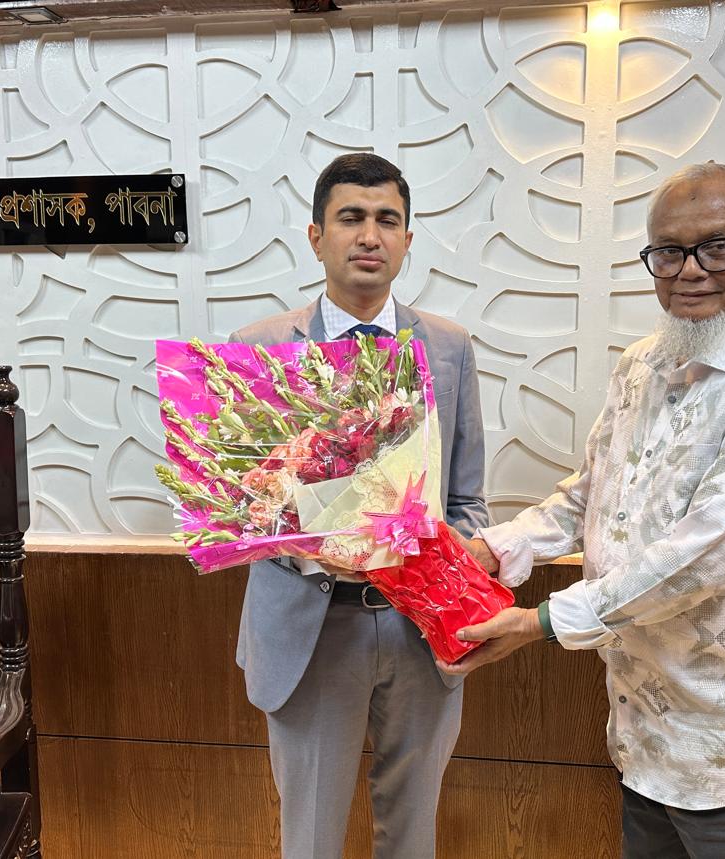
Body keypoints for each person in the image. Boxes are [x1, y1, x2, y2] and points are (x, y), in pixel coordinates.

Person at [443, 162, 725, 858]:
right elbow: (590, 495)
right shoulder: (642, 363)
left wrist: (542, 621)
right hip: (647, 727)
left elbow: (711, 550)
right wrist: (497, 547)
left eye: (717, 247)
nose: (689, 270)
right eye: (668, 251)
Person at [229, 153, 489, 859]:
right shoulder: (259, 350)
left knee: (412, 835)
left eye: (387, 220)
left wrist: (450, 556)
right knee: (310, 838)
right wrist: (309, 543)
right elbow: (240, 508)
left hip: (418, 628)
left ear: (407, 239)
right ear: (317, 237)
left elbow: (468, 498)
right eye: (351, 218)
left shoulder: (449, 348)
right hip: (311, 628)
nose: (370, 235)